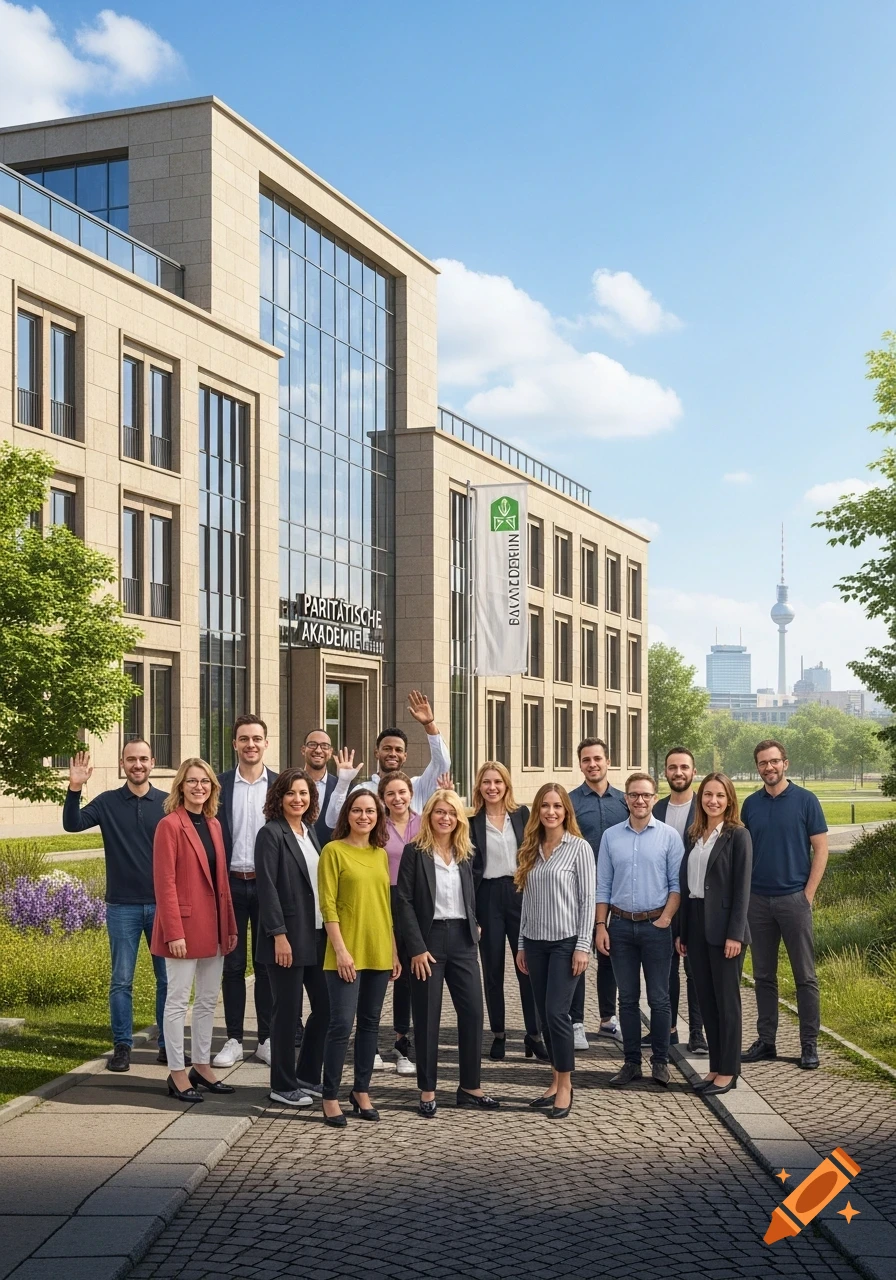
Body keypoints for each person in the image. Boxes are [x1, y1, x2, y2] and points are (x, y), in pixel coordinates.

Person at [63, 742, 169, 1072]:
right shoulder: (108, 802)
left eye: (142, 759)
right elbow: (73, 823)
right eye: (130, 759)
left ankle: (168, 1044)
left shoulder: (168, 803)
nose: (137, 765)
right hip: (121, 906)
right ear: (122, 763)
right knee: (121, 980)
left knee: (167, 980)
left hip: (162, 906)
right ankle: (122, 1046)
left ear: (152, 762)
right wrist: (75, 787)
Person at [397, 790, 499, 1118]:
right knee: (427, 1018)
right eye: (439, 812)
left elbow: (476, 891)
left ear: (458, 818)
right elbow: (403, 902)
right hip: (428, 942)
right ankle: (427, 1089)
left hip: (463, 941)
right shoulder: (415, 852)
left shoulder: (465, 852)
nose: (445, 818)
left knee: (472, 1014)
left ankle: (470, 1086)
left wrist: (477, 923)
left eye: (451, 813)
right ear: (429, 816)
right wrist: (415, 948)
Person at [151, 759, 238, 1102]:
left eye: (205, 782)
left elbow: (222, 884)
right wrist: (174, 931)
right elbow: (165, 883)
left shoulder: (215, 825)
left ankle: (201, 1066)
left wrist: (229, 926)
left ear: (212, 787)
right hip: (183, 929)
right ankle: (176, 1072)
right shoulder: (169, 826)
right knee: (177, 1001)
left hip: (214, 927)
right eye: (192, 781)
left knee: (206, 1001)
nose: (199, 786)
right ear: (181, 787)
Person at [741, 740, 828, 1071]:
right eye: (763, 763)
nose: (769, 767)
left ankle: (809, 1044)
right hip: (758, 902)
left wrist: (808, 894)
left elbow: (821, 849)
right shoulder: (750, 805)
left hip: (795, 900)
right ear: (758, 767)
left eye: (774, 761)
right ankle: (767, 1041)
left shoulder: (806, 801)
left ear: (785, 764)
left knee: (805, 976)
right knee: (763, 975)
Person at [318, 788, 400, 1127]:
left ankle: (361, 1091)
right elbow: (328, 906)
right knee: (340, 1025)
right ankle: (330, 1096)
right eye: (357, 810)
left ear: (378, 816)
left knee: (370, 1026)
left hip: (379, 949)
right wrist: (340, 950)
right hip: (345, 952)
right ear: (347, 815)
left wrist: (394, 950)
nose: (364, 816)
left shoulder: (381, 854)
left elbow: (386, 906)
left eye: (370, 811)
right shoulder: (333, 851)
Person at [596, 772, 684, 1088]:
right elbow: (602, 885)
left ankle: (661, 1061)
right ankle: (631, 1062)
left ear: (654, 798)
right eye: (634, 795)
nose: (640, 800)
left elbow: (677, 886)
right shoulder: (611, 837)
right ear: (626, 799)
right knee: (628, 999)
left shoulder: (670, 837)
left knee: (659, 999)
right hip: (619, 928)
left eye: (646, 795)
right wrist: (600, 926)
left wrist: (665, 920)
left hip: (656, 927)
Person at [515, 784, 595, 1120]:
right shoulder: (530, 849)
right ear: (537, 810)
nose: (551, 812)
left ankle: (566, 1086)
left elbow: (588, 901)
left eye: (557, 806)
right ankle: (554, 1078)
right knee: (544, 1015)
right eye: (545, 806)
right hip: (534, 943)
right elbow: (526, 902)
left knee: (557, 1013)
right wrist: (520, 944)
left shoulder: (579, 848)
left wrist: (582, 946)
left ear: (566, 811)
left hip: (566, 943)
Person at [676, 773, 752, 1096]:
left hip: (725, 931)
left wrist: (735, 934)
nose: (713, 801)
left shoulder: (738, 836)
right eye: (708, 794)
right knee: (706, 1001)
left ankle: (730, 1071)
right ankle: (715, 1067)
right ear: (700, 798)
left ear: (729, 799)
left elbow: (742, 890)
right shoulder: (693, 834)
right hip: (694, 924)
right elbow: (685, 886)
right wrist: (682, 932)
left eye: (720, 795)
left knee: (727, 1003)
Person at [254, 768, 325, 1108]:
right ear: (279, 798)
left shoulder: (308, 833)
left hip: (315, 936)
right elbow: (266, 889)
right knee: (286, 1013)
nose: (298, 799)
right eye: (291, 793)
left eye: (304, 793)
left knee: (325, 1009)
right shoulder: (271, 834)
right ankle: (282, 1085)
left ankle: (308, 1076)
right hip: (287, 939)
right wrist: (278, 935)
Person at [213, 715, 279, 1070]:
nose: (250, 744)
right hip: (232, 886)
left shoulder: (281, 786)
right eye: (243, 739)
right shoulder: (220, 785)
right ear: (235, 744)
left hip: (269, 887)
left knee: (266, 965)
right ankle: (235, 1039)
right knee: (233, 965)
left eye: (256, 738)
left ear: (266, 743)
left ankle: (266, 1039)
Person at [469, 761, 546, 1062]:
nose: (492, 787)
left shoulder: (522, 815)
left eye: (497, 782)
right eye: (486, 782)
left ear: (506, 785)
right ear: (479, 787)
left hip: (519, 894)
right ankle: (499, 1033)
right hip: (487, 896)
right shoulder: (473, 822)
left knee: (527, 966)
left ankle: (534, 1033)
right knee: (492, 970)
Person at [568, 738, 628, 1050]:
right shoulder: (570, 802)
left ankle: (608, 1019)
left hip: (614, 896)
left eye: (598, 759)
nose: (593, 764)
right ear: (580, 764)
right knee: (576, 959)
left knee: (609, 957)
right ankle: (575, 1022)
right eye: (587, 760)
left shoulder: (624, 801)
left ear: (608, 761)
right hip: (578, 895)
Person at [323, 690, 451, 826]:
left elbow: (442, 763)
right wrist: (343, 783)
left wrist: (429, 725)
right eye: (387, 748)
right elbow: (333, 821)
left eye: (398, 750)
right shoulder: (363, 790)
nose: (393, 754)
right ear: (376, 753)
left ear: (405, 756)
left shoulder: (417, 787)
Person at [653, 747, 707, 1056]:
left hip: (696, 900)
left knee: (694, 969)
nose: (678, 772)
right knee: (665, 968)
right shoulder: (656, 808)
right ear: (665, 773)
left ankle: (697, 1033)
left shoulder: (706, 806)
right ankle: (668, 1029)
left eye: (684, 767)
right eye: (672, 767)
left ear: (693, 771)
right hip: (662, 900)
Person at [379, 771, 422, 1076]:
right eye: (391, 793)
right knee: (381, 971)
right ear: (383, 798)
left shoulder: (424, 823)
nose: (397, 798)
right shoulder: (376, 827)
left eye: (402, 792)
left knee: (408, 976)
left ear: (410, 793)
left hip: (416, 902)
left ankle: (401, 1042)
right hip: (384, 899)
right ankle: (367, 1044)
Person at [301, 729, 338, 845]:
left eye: (324, 746)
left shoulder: (341, 787)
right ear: (303, 750)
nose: (318, 750)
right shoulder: (289, 784)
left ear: (330, 752)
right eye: (312, 745)